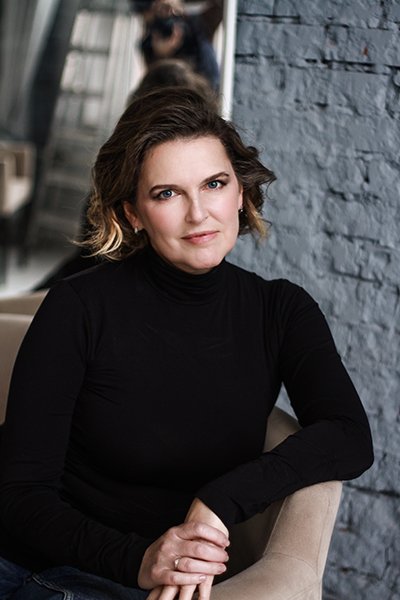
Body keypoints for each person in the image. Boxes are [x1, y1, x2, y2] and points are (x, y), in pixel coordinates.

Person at [0, 87, 374, 600]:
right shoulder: (79, 306)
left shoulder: (281, 311)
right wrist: (139, 560)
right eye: (167, 194)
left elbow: (349, 435)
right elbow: (20, 495)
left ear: (240, 192)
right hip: (31, 562)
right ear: (132, 213)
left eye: (214, 184)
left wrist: (220, 501)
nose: (199, 214)